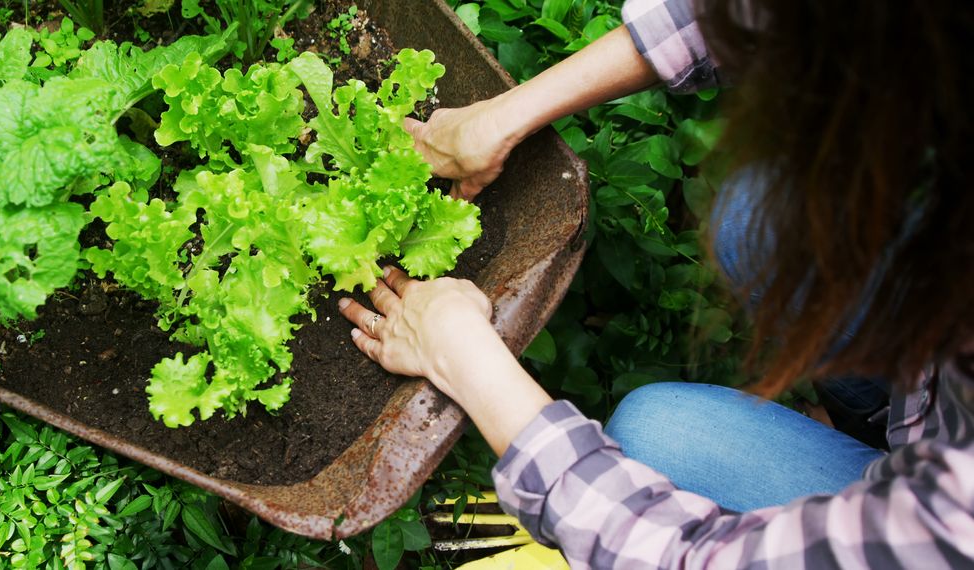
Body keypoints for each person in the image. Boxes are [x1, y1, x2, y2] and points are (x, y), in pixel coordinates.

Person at [338, 0, 974, 567]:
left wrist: (467, 358)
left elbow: (687, 552)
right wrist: (505, 115)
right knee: (761, 217)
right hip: (943, 406)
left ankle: (865, 472)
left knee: (651, 434)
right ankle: (871, 423)